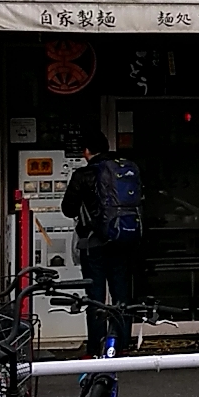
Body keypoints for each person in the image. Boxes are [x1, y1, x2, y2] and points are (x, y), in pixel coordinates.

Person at [61, 130, 142, 354]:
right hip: (122, 240)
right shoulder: (124, 169)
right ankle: (121, 347)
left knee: (95, 298)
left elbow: (68, 209)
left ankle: (95, 348)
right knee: (121, 297)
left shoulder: (83, 174)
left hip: (93, 244)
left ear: (86, 151)